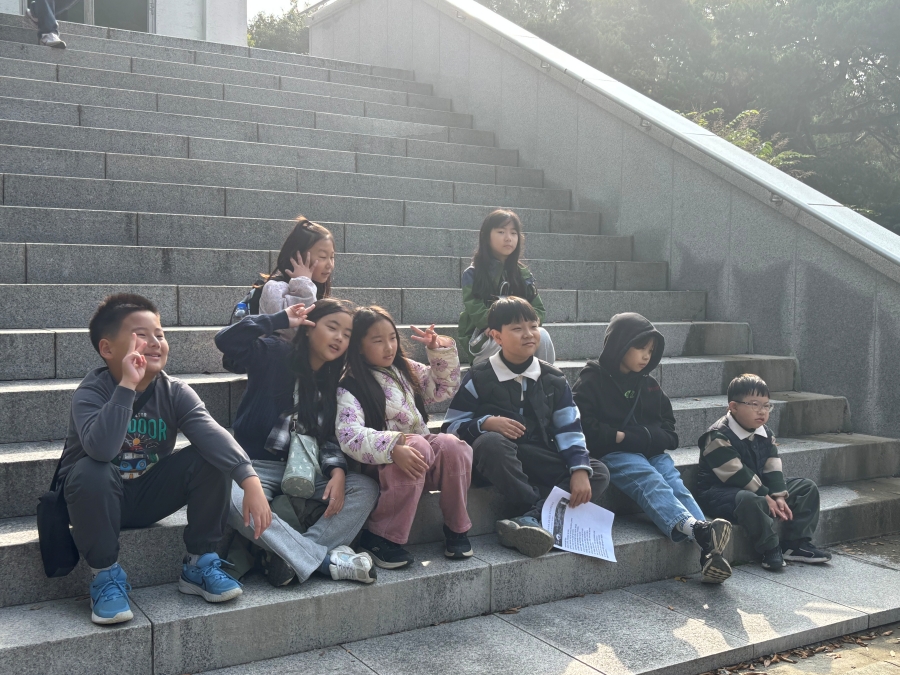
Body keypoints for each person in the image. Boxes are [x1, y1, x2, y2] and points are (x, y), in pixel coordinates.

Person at [58, 294, 271, 625]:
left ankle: (199, 564)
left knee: (210, 457)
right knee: (90, 469)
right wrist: (127, 386)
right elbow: (101, 450)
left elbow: (211, 433)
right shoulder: (92, 392)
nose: (155, 342)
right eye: (141, 335)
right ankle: (106, 576)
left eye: (159, 333)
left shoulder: (174, 391)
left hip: (147, 495)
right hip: (97, 500)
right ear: (107, 349)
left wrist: (249, 478)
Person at [215, 299, 380, 587]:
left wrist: (337, 472)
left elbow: (327, 437)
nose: (339, 338)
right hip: (254, 467)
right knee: (229, 497)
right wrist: (278, 320)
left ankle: (290, 556)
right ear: (309, 327)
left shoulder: (333, 382)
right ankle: (324, 561)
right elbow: (226, 341)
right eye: (332, 327)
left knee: (365, 488)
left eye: (347, 334)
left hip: (306, 469)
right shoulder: (275, 353)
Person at [572, 312, 733, 584]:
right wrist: (624, 438)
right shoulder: (591, 381)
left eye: (651, 350)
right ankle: (703, 534)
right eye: (640, 348)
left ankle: (707, 544)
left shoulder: (649, 384)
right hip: (613, 453)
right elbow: (584, 426)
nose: (646, 356)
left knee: (675, 484)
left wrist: (639, 437)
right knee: (651, 481)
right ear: (620, 345)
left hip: (651, 452)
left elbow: (669, 431)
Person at [442, 296, 609, 558]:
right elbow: (450, 428)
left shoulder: (553, 379)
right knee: (490, 442)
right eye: (517, 328)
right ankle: (535, 511)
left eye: (533, 326)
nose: (529, 334)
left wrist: (578, 468)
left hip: (537, 455)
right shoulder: (479, 376)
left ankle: (528, 519)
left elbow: (570, 428)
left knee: (597, 471)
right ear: (497, 336)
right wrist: (485, 423)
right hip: (496, 462)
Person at [335, 306, 472, 569]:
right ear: (359, 346)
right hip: (380, 466)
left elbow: (442, 389)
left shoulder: (404, 369)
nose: (389, 347)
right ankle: (380, 537)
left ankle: (457, 529)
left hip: (420, 460)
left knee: (453, 446)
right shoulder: (350, 384)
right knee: (417, 444)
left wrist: (438, 351)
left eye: (392, 338)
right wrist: (392, 447)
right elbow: (349, 435)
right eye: (378, 341)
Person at [697, 374, 832, 571]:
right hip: (720, 494)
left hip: (758, 489)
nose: (762, 411)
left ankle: (796, 544)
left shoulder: (765, 433)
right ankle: (769, 548)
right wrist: (765, 496)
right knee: (751, 499)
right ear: (733, 407)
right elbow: (736, 473)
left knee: (806, 488)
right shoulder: (717, 435)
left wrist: (778, 495)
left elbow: (772, 466)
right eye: (754, 404)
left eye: (767, 405)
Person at [457, 209, 556, 365]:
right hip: (487, 339)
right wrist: (499, 325)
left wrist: (523, 326)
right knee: (509, 336)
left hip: (517, 334)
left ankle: (546, 378)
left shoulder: (523, 273)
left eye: (513, 233)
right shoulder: (473, 273)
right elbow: (476, 311)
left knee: (542, 335)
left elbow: (538, 310)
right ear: (486, 236)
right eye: (501, 232)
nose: (508, 238)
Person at [258, 216, 335, 319]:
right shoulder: (274, 288)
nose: (330, 264)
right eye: (323, 257)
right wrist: (303, 282)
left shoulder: (316, 288)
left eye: (332, 257)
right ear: (297, 256)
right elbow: (293, 324)